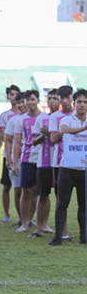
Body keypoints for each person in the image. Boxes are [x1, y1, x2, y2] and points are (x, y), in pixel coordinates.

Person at [49, 88, 87, 246]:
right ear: (74, 103)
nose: (82, 105)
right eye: (79, 102)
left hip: (84, 169)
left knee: (83, 205)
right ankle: (58, 236)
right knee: (62, 203)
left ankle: (84, 236)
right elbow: (63, 131)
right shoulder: (68, 119)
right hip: (67, 168)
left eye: (85, 102)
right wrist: (84, 129)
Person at [28, 89, 59, 238]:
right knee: (42, 195)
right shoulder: (41, 119)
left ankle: (59, 229)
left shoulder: (63, 118)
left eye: (55, 98)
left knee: (60, 197)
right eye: (50, 98)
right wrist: (43, 135)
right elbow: (34, 141)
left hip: (60, 162)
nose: (52, 101)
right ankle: (39, 228)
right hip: (44, 162)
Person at [13, 90, 42, 233]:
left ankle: (32, 220)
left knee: (38, 192)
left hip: (43, 159)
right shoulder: (20, 120)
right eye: (27, 100)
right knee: (26, 191)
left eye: (32, 99)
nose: (30, 102)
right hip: (26, 159)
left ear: (38, 100)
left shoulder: (45, 117)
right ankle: (24, 223)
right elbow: (17, 142)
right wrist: (15, 162)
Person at [49, 85, 76, 240]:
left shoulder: (80, 115)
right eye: (62, 97)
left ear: (72, 98)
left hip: (80, 161)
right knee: (61, 197)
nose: (65, 101)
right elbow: (53, 139)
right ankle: (64, 231)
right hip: (60, 162)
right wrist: (64, 130)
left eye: (68, 97)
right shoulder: (55, 117)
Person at [0, 85, 21, 224]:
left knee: (25, 189)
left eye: (16, 94)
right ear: (8, 97)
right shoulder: (5, 116)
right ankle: (7, 214)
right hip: (9, 155)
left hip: (23, 156)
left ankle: (24, 216)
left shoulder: (25, 114)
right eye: (11, 94)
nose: (14, 97)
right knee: (7, 186)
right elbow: (3, 136)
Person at [4, 92, 27, 228]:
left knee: (32, 191)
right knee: (18, 190)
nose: (21, 105)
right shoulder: (13, 120)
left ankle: (29, 218)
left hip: (32, 159)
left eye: (23, 101)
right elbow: (7, 140)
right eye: (19, 102)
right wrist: (9, 158)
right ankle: (21, 217)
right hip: (17, 159)